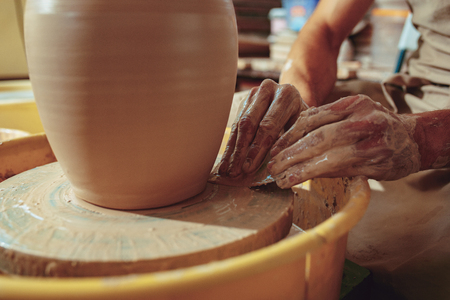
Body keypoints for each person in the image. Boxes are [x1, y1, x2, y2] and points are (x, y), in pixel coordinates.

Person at [218, 0, 450, 299]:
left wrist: (423, 139)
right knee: (241, 114)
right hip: (413, 95)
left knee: (416, 268)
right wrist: (300, 105)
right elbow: (325, 28)